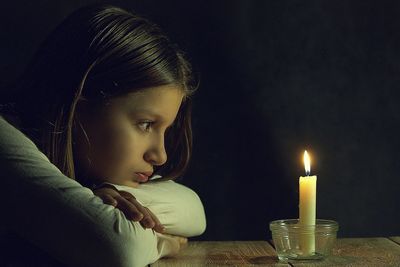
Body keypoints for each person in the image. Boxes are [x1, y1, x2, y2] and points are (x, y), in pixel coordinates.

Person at [0, 4, 206, 267]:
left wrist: (100, 193)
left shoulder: (97, 177)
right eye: (145, 124)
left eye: (165, 130)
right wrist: (164, 242)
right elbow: (122, 246)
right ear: (78, 102)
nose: (160, 155)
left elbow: (194, 209)